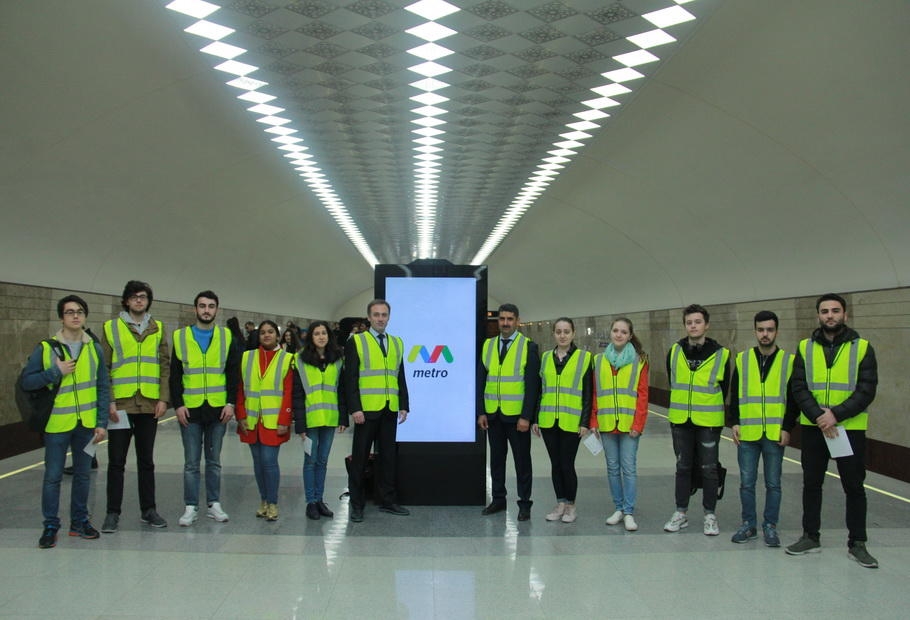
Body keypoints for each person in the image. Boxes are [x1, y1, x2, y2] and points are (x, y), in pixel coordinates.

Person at [785, 294, 879, 568]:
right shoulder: (805, 347)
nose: (830, 315)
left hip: (848, 428)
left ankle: (858, 543)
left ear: (845, 315)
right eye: (825, 311)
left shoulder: (862, 348)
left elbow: (867, 389)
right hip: (814, 429)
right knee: (811, 484)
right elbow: (798, 386)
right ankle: (810, 536)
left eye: (835, 311)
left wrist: (835, 414)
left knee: (854, 486)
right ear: (818, 316)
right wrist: (818, 416)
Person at [21, 295, 110, 548]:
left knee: (83, 475)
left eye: (79, 311)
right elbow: (28, 382)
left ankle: (79, 522)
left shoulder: (93, 348)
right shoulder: (46, 348)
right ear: (62, 317)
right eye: (70, 312)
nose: (75, 316)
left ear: (85, 316)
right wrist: (55, 372)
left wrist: (101, 422)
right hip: (57, 425)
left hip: (87, 425)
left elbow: (103, 386)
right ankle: (51, 525)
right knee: (52, 476)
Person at [100, 280, 170, 533]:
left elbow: (164, 365)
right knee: (116, 461)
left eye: (143, 297)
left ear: (148, 301)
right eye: (134, 297)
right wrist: (107, 400)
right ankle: (112, 513)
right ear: (126, 301)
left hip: (149, 405)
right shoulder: (111, 328)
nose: (139, 300)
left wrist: (163, 399)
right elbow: (104, 368)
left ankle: (148, 510)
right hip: (120, 405)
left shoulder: (158, 327)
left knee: (146, 461)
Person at [170, 290, 241, 526]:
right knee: (191, 462)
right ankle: (190, 506)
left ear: (217, 310)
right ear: (195, 309)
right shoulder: (180, 337)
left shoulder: (226, 336)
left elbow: (233, 372)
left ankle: (214, 504)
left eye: (211, 306)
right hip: (190, 410)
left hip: (218, 409)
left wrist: (231, 403)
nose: (206, 310)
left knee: (214, 461)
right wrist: (178, 404)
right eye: (202, 306)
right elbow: (174, 375)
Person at [728, 310, 798, 547]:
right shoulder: (743, 359)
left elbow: (794, 398)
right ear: (755, 331)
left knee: (773, 483)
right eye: (760, 330)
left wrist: (788, 427)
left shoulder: (789, 361)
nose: (765, 334)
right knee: (746, 483)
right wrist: (734, 422)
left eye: (769, 330)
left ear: (776, 331)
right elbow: (735, 394)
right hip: (747, 432)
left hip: (774, 433)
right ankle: (749, 525)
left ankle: (770, 526)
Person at [663, 304, 730, 536]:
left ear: (706, 324)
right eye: (689, 322)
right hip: (681, 420)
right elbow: (674, 382)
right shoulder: (675, 351)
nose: (693, 326)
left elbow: (725, 387)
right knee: (682, 466)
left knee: (709, 468)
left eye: (697, 322)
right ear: (685, 325)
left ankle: (709, 514)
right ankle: (680, 512)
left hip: (709, 422)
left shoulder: (721, 354)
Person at [344, 299, 410, 522]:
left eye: (384, 315)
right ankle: (357, 504)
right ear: (369, 317)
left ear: (389, 317)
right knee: (360, 459)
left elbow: (400, 375)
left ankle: (388, 500)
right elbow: (350, 378)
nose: (380, 318)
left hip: (389, 408)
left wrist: (404, 404)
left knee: (388, 458)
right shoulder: (357, 342)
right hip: (366, 411)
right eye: (376, 315)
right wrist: (355, 408)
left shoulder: (397, 342)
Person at [478, 303, 541, 521]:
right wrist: (481, 411)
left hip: (517, 418)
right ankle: (498, 499)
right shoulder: (488, 345)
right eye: (502, 319)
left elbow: (533, 386)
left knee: (522, 461)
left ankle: (524, 504)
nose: (505, 323)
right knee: (496, 459)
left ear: (517, 321)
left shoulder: (528, 346)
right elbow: (481, 380)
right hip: (493, 415)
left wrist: (526, 416)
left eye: (510, 319)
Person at [235, 320, 302, 521]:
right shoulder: (247, 357)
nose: (266, 335)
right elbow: (240, 389)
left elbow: (289, 392)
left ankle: (273, 502)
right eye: (263, 332)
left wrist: (285, 419)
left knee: (269, 462)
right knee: (257, 462)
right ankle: (263, 500)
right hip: (251, 420)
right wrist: (241, 415)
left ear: (277, 335)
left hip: (273, 421)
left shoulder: (287, 359)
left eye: (270, 332)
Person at [532, 318, 592, 523]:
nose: (562, 335)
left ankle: (571, 506)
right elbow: (540, 390)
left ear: (573, 333)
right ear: (554, 334)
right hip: (548, 420)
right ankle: (560, 503)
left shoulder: (584, 358)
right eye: (558, 331)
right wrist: (536, 418)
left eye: (566, 331)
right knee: (555, 464)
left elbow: (588, 394)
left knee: (567, 464)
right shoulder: (546, 357)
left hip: (571, 421)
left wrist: (585, 422)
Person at [596, 317, 649, 532]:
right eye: (615, 331)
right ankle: (617, 507)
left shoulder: (639, 361)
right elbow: (595, 392)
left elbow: (643, 395)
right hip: (607, 423)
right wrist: (593, 421)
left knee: (628, 468)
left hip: (629, 426)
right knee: (612, 468)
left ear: (629, 336)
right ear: (610, 333)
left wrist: (639, 424)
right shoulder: (599, 360)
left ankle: (628, 511)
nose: (619, 335)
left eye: (623, 332)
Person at [295, 320, 348, 520]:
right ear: (311, 337)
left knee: (323, 461)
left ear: (329, 336)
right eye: (316, 333)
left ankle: (319, 499)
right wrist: (299, 424)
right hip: (310, 420)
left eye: (323, 333)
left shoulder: (338, 359)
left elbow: (340, 390)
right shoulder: (300, 360)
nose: (320, 336)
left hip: (330, 418)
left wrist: (343, 417)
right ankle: (310, 502)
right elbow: (297, 394)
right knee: (310, 461)